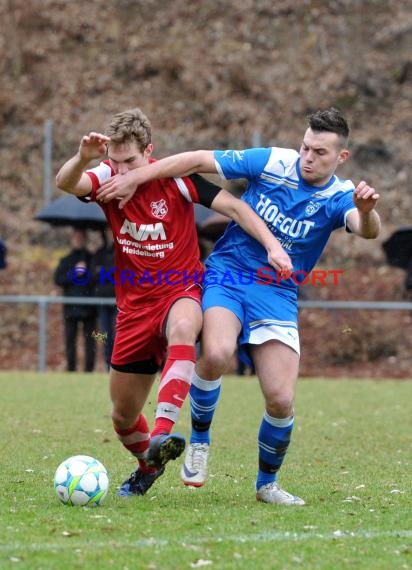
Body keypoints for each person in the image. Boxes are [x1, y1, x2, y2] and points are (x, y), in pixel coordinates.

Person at [95, 107, 381, 505]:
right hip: (227, 275)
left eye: (319, 152)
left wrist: (366, 213)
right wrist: (138, 174)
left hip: (277, 294)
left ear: (341, 157)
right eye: (305, 147)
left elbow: (367, 229)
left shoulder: (338, 196)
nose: (308, 157)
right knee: (215, 352)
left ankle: (267, 484)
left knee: (281, 399)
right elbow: (198, 160)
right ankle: (198, 439)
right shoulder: (273, 161)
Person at [55, 107, 291, 497]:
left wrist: (272, 246)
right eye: (115, 162)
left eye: (130, 161)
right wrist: (84, 156)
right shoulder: (107, 179)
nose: (123, 170)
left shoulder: (178, 181)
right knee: (122, 415)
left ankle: (163, 433)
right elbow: (67, 183)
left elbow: (235, 207)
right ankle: (149, 463)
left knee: (184, 325)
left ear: (150, 151)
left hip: (180, 289)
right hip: (133, 309)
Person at [54, 228, 97, 372]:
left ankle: (89, 370)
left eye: (81, 237)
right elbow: (59, 279)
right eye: (76, 237)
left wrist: (86, 272)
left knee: (91, 339)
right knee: (70, 340)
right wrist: (75, 272)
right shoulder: (65, 260)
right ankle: (71, 369)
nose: (78, 240)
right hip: (71, 308)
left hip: (89, 308)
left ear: (85, 239)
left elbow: (98, 279)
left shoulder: (92, 259)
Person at [90, 229, 117, 369]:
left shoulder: (121, 251)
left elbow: (121, 273)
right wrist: (109, 272)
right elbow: (92, 275)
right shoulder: (99, 253)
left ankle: (116, 366)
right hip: (102, 301)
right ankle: (108, 365)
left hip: (118, 302)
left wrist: (103, 272)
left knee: (116, 335)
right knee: (103, 335)